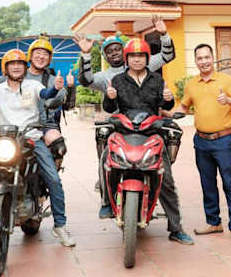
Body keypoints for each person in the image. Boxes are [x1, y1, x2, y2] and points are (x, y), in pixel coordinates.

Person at [0, 49, 76, 249]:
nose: (17, 67)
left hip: (32, 138)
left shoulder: (33, 85)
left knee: (53, 179)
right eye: (12, 64)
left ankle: (60, 225)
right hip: (6, 139)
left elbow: (46, 95)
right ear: (6, 68)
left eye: (20, 64)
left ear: (25, 67)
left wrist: (55, 88)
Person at [73, 14, 175, 210]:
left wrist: (164, 34)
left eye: (117, 49)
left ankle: (167, 207)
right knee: (104, 157)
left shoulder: (141, 63)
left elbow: (167, 56)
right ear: (105, 56)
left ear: (125, 50)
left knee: (163, 159)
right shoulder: (104, 77)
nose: (113, 53)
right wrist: (86, 55)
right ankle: (106, 200)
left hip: (147, 125)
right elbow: (85, 80)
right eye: (109, 51)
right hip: (118, 126)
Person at [102, 38, 194, 246]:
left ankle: (176, 228)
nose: (137, 60)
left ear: (146, 58)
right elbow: (109, 108)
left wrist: (168, 99)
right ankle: (107, 203)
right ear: (127, 58)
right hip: (124, 131)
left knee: (165, 178)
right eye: (133, 56)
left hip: (152, 132)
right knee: (107, 160)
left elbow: (165, 105)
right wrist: (109, 97)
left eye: (141, 56)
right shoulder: (117, 80)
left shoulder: (157, 80)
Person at [179, 43, 231, 243]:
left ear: (213, 58)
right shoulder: (191, 84)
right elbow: (183, 107)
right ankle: (213, 222)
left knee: (230, 183)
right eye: (200, 58)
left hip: (223, 141)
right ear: (196, 61)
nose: (204, 61)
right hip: (201, 142)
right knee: (207, 184)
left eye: (206, 57)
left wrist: (229, 101)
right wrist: (165, 113)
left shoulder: (226, 80)